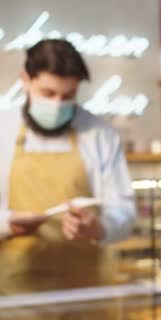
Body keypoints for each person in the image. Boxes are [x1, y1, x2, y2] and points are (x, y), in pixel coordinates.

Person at [0, 39, 135, 319]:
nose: (57, 104)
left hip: (85, 299)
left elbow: (124, 211)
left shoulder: (99, 134)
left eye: (68, 96)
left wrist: (98, 227)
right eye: (47, 93)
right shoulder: (3, 131)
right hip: (16, 300)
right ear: (25, 80)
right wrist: (7, 224)